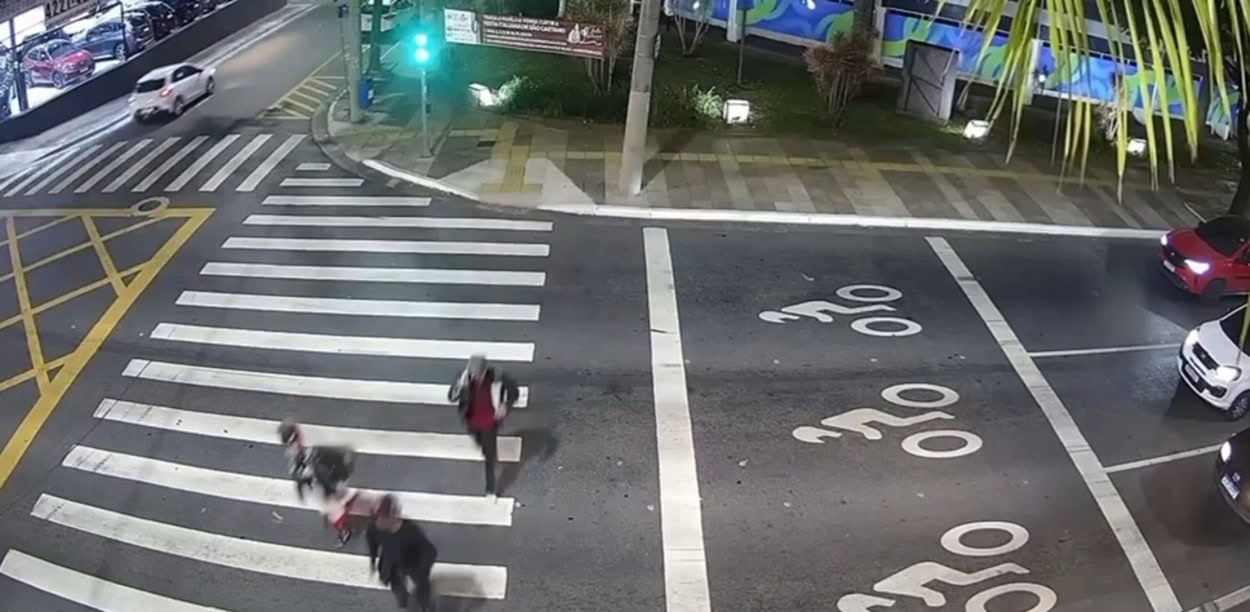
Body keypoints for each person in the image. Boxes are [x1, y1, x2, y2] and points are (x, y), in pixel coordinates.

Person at [448, 354, 520, 496]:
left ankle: (490, 488)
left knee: (489, 456)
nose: (475, 377)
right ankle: (485, 448)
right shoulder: (464, 378)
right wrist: (460, 385)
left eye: (478, 374)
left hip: (490, 422)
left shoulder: (497, 377)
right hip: (471, 421)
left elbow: (514, 393)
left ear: (484, 371)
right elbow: (452, 398)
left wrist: (505, 406)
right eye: (472, 374)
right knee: (480, 443)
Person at [278, 419, 357, 543]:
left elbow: (308, 472)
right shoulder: (298, 451)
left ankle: (344, 530)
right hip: (325, 481)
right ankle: (343, 520)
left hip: (328, 482)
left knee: (332, 509)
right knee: (331, 507)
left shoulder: (310, 450)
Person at [367, 494, 438, 612]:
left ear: (394, 516)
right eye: (378, 517)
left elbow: (430, 551)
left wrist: (421, 570)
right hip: (392, 567)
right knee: (399, 591)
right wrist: (373, 562)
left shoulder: (411, 531)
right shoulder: (374, 528)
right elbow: (372, 542)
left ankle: (426, 606)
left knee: (422, 592)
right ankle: (404, 605)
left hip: (413, 565)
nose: (379, 521)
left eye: (384, 517)